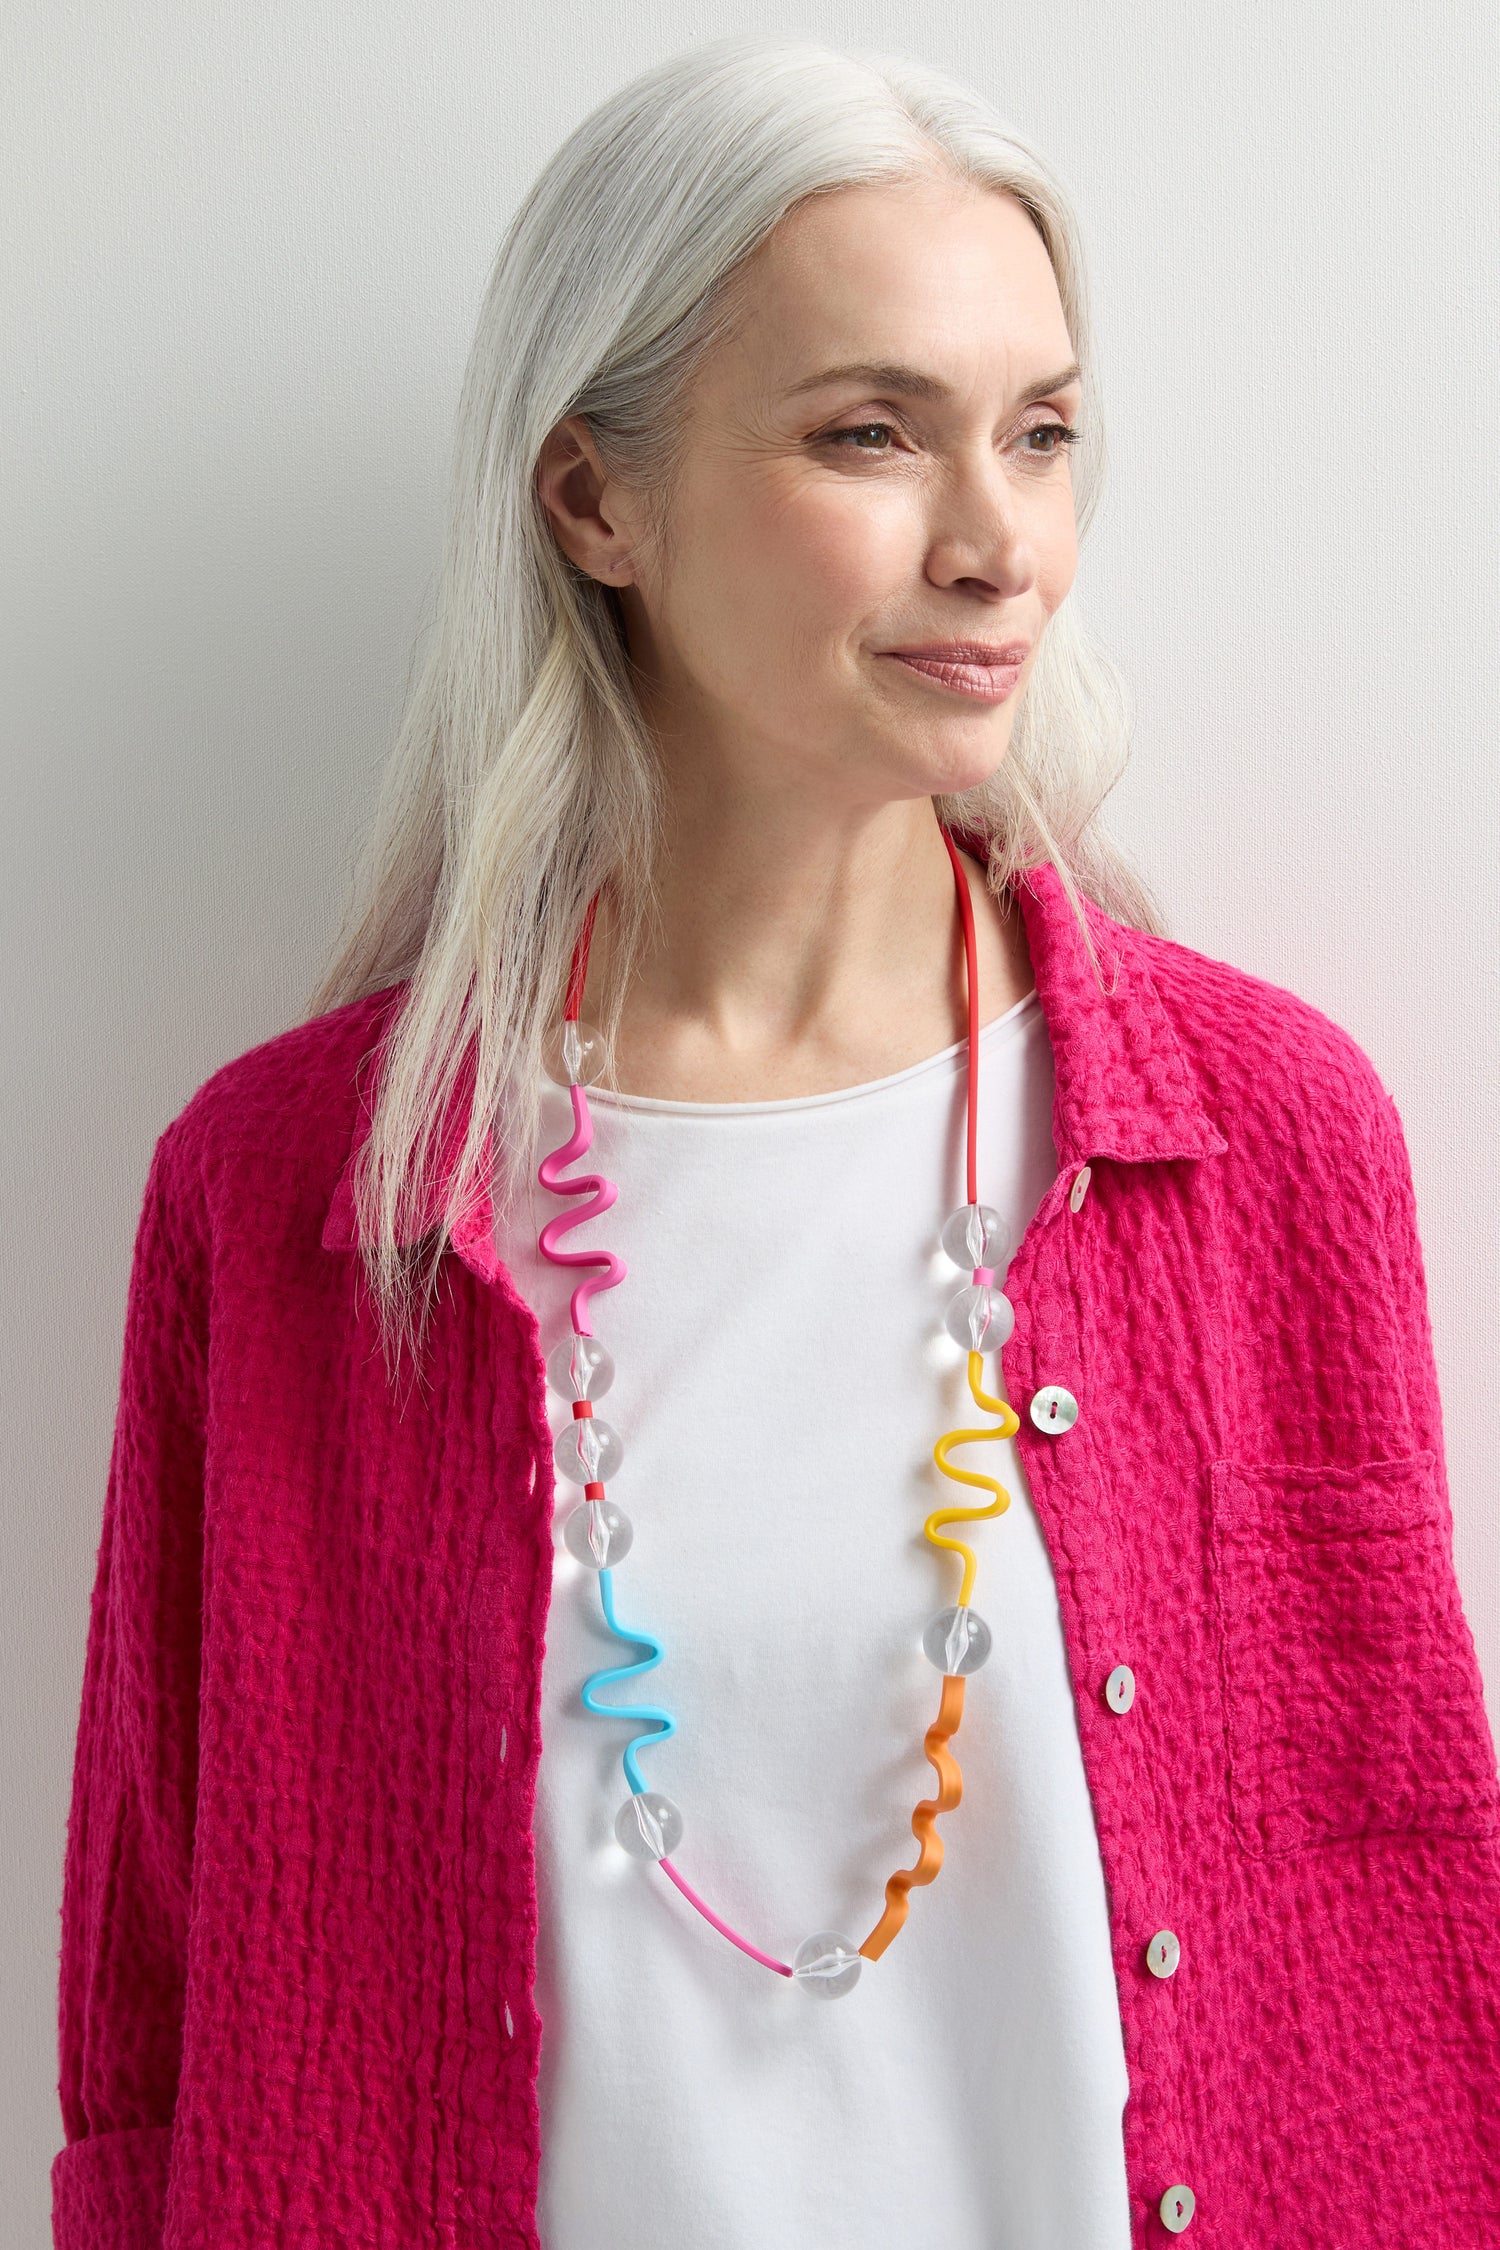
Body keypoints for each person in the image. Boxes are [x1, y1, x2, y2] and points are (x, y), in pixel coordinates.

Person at [50, 33, 1500, 2250]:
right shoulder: (292, 1211)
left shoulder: (1265, 1148)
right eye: (869, 434)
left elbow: (1403, 1956)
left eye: (1041, 432)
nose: (999, 538)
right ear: (592, 501)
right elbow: (157, 2037)